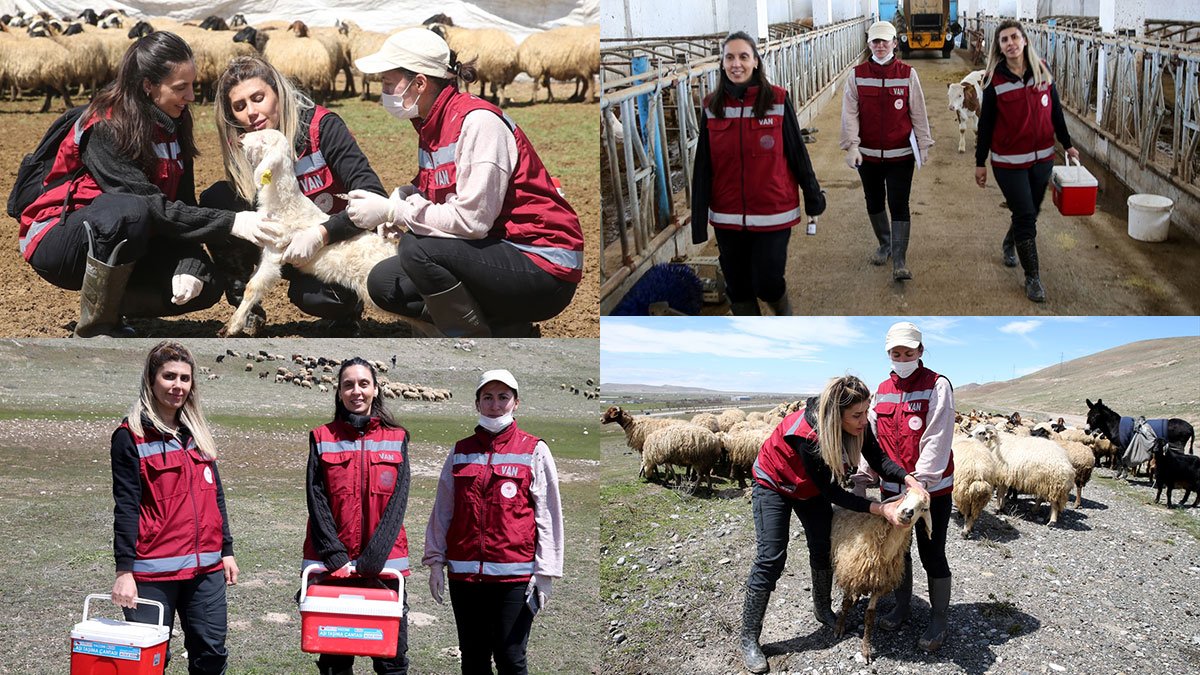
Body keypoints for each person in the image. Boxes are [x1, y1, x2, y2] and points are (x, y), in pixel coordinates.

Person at [16, 32, 279, 337]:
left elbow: (180, 205)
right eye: (180, 88)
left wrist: (189, 264)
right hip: (60, 238)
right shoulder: (106, 125)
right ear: (148, 86)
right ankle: (98, 326)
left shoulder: (175, 121)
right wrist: (233, 222)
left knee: (205, 284)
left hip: (131, 233)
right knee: (130, 210)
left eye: (192, 85)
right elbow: (149, 204)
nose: (191, 96)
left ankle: (113, 302)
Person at [342, 28, 584, 337]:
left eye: (389, 82)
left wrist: (395, 212)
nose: (384, 91)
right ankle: (504, 327)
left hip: (543, 263)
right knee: (384, 284)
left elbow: (472, 220)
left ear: (419, 83)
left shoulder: (478, 123)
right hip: (497, 249)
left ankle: (471, 340)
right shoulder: (432, 123)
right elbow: (441, 190)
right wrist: (403, 195)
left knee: (417, 248)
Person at [740, 376, 927, 673]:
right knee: (771, 557)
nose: (864, 421)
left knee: (822, 545)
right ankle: (749, 638)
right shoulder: (807, 436)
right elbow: (832, 492)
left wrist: (908, 478)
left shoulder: (857, 426)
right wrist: (880, 509)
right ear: (835, 415)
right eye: (857, 415)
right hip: (774, 484)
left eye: (866, 412)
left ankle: (822, 608)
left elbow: (877, 458)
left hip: (809, 489)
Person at [202, 55, 392, 336]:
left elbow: (373, 194)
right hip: (281, 241)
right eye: (240, 106)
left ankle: (346, 313)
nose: (251, 112)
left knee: (320, 298)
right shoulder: (247, 143)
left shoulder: (322, 127)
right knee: (217, 200)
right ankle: (246, 306)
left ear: (277, 92)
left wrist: (322, 233)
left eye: (258, 98)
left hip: (332, 245)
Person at [110, 340, 238, 674]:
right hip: (152, 572)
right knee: (149, 661)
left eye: (184, 378)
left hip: (206, 570)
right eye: (169, 376)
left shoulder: (198, 433)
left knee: (211, 655)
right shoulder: (130, 436)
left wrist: (226, 550)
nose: (177, 386)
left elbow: (215, 496)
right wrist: (124, 572)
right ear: (151, 380)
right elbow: (126, 506)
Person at [424, 369, 564, 675]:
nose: (495, 404)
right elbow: (443, 509)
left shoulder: (533, 449)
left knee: (510, 658)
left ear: (516, 403)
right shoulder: (460, 451)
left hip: (514, 578)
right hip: (464, 576)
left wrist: (546, 572)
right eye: (487, 397)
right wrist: (435, 561)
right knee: (473, 658)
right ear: (477, 403)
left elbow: (548, 513)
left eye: (503, 397)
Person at [690, 31, 826, 316]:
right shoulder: (712, 106)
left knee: (767, 282)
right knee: (738, 287)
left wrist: (813, 197)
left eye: (743, 56)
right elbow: (703, 165)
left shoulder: (777, 100)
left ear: (755, 61)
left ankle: (783, 313)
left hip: (773, 212)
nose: (736, 64)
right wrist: (699, 221)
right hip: (727, 216)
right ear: (722, 63)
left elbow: (797, 152)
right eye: (729, 57)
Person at [303, 357, 412, 675]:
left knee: (391, 660)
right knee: (335, 661)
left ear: (375, 389)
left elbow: (398, 501)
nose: (356, 391)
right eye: (348, 385)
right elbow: (316, 498)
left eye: (364, 384)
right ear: (339, 392)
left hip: (385, 566)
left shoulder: (397, 438)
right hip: (333, 566)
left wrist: (376, 556)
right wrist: (333, 553)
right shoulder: (322, 437)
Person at [851, 321, 955, 652]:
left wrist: (921, 483)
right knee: (897, 551)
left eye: (908, 353)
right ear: (888, 354)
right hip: (892, 489)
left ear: (920, 351)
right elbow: (872, 440)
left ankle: (938, 619)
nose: (902, 358)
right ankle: (902, 605)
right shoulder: (881, 389)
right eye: (896, 353)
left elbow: (937, 436)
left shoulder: (937, 385)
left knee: (932, 552)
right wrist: (864, 476)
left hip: (930, 492)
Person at [975, 19, 1079, 303]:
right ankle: (1032, 277)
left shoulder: (1042, 69)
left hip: (1043, 158)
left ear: (1024, 40)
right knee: (1024, 215)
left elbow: (1055, 111)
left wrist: (1068, 144)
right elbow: (986, 124)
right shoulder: (994, 80)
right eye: (1004, 40)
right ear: (999, 47)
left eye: (1014, 37)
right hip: (1008, 163)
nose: (1010, 43)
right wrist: (980, 161)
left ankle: (1010, 242)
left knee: (1030, 211)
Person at [840, 21, 933, 281]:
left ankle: (900, 261)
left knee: (899, 203)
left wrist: (923, 143)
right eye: (875, 41)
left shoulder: (907, 74)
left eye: (885, 41)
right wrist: (852, 145)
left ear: (894, 42)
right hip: (867, 155)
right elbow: (849, 113)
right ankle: (885, 243)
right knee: (874, 200)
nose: (880, 45)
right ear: (869, 43)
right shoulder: (857, 75)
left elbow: (918, 111)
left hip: (900, 155)